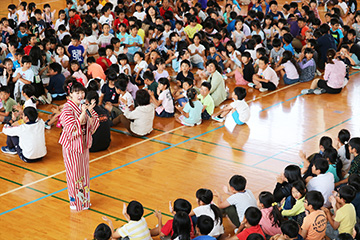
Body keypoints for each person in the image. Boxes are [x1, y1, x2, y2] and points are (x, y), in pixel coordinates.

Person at [58, 81, 99, 211]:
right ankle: (75, 202)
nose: (80, 95)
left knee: (84, 173)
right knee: (74, 174)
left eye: (82, 92)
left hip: (83, 144)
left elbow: (95, 121)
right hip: (72, 146)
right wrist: (83, 114)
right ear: (70, 94)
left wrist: (90, 113)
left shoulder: (83, 106)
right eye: (77, 92)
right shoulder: (67, 109)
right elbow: (71, 128)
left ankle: (85, 201)